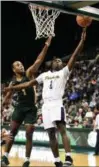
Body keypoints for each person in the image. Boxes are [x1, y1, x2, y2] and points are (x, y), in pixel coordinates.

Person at [4, 28, 86, 167]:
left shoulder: (64, 72)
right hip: (45, 106)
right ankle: (56, 161)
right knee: (50, 134)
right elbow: (28, 84)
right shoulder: (44, 75)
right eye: (56, 60)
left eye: (60, 61)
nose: (58, 61)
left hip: (55, 104)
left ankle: (68, 158)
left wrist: (82, 41)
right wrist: (11, 89)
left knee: (61, 130)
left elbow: (74, 55)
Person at [1, 36, 52, 167]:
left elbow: (39, 60)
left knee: (29, 132)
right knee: (12, 132)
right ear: (13, 69)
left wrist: (46, 45)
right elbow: (8, 97)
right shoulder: (12, 82)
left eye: (21, 63)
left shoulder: (29, 73)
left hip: (30, 108)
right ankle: (5, 157)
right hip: (19, 108)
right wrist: (3, 103)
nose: (21, 65)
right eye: (18, 65)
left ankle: (27, 159)